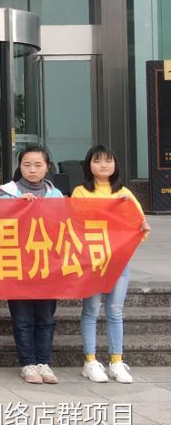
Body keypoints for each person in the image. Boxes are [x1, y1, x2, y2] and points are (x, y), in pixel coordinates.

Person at [73, 145, 151, 384]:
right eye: (97, 161)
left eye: (108, 160)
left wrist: (141, 226)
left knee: (115, 311)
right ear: (88, 165)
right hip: (92, 262)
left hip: (119, 262)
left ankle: (116, 361)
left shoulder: (124, 193)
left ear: (115, 164)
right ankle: (90, 361)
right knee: (91, 311)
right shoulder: (80, 192)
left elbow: (140, 227)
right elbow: (74, 224)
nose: (103, 165)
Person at [0, 144, 64, 385]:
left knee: (46, 317)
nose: (32, 169)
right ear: (20, 166)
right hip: (17, 265)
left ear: (47, 167)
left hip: (47, 266)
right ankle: (28, 363)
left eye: (38, 165)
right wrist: (16, 207)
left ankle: (44, 362)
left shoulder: (57, 195)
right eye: (27, 165)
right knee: (22, 318)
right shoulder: (7, 192)